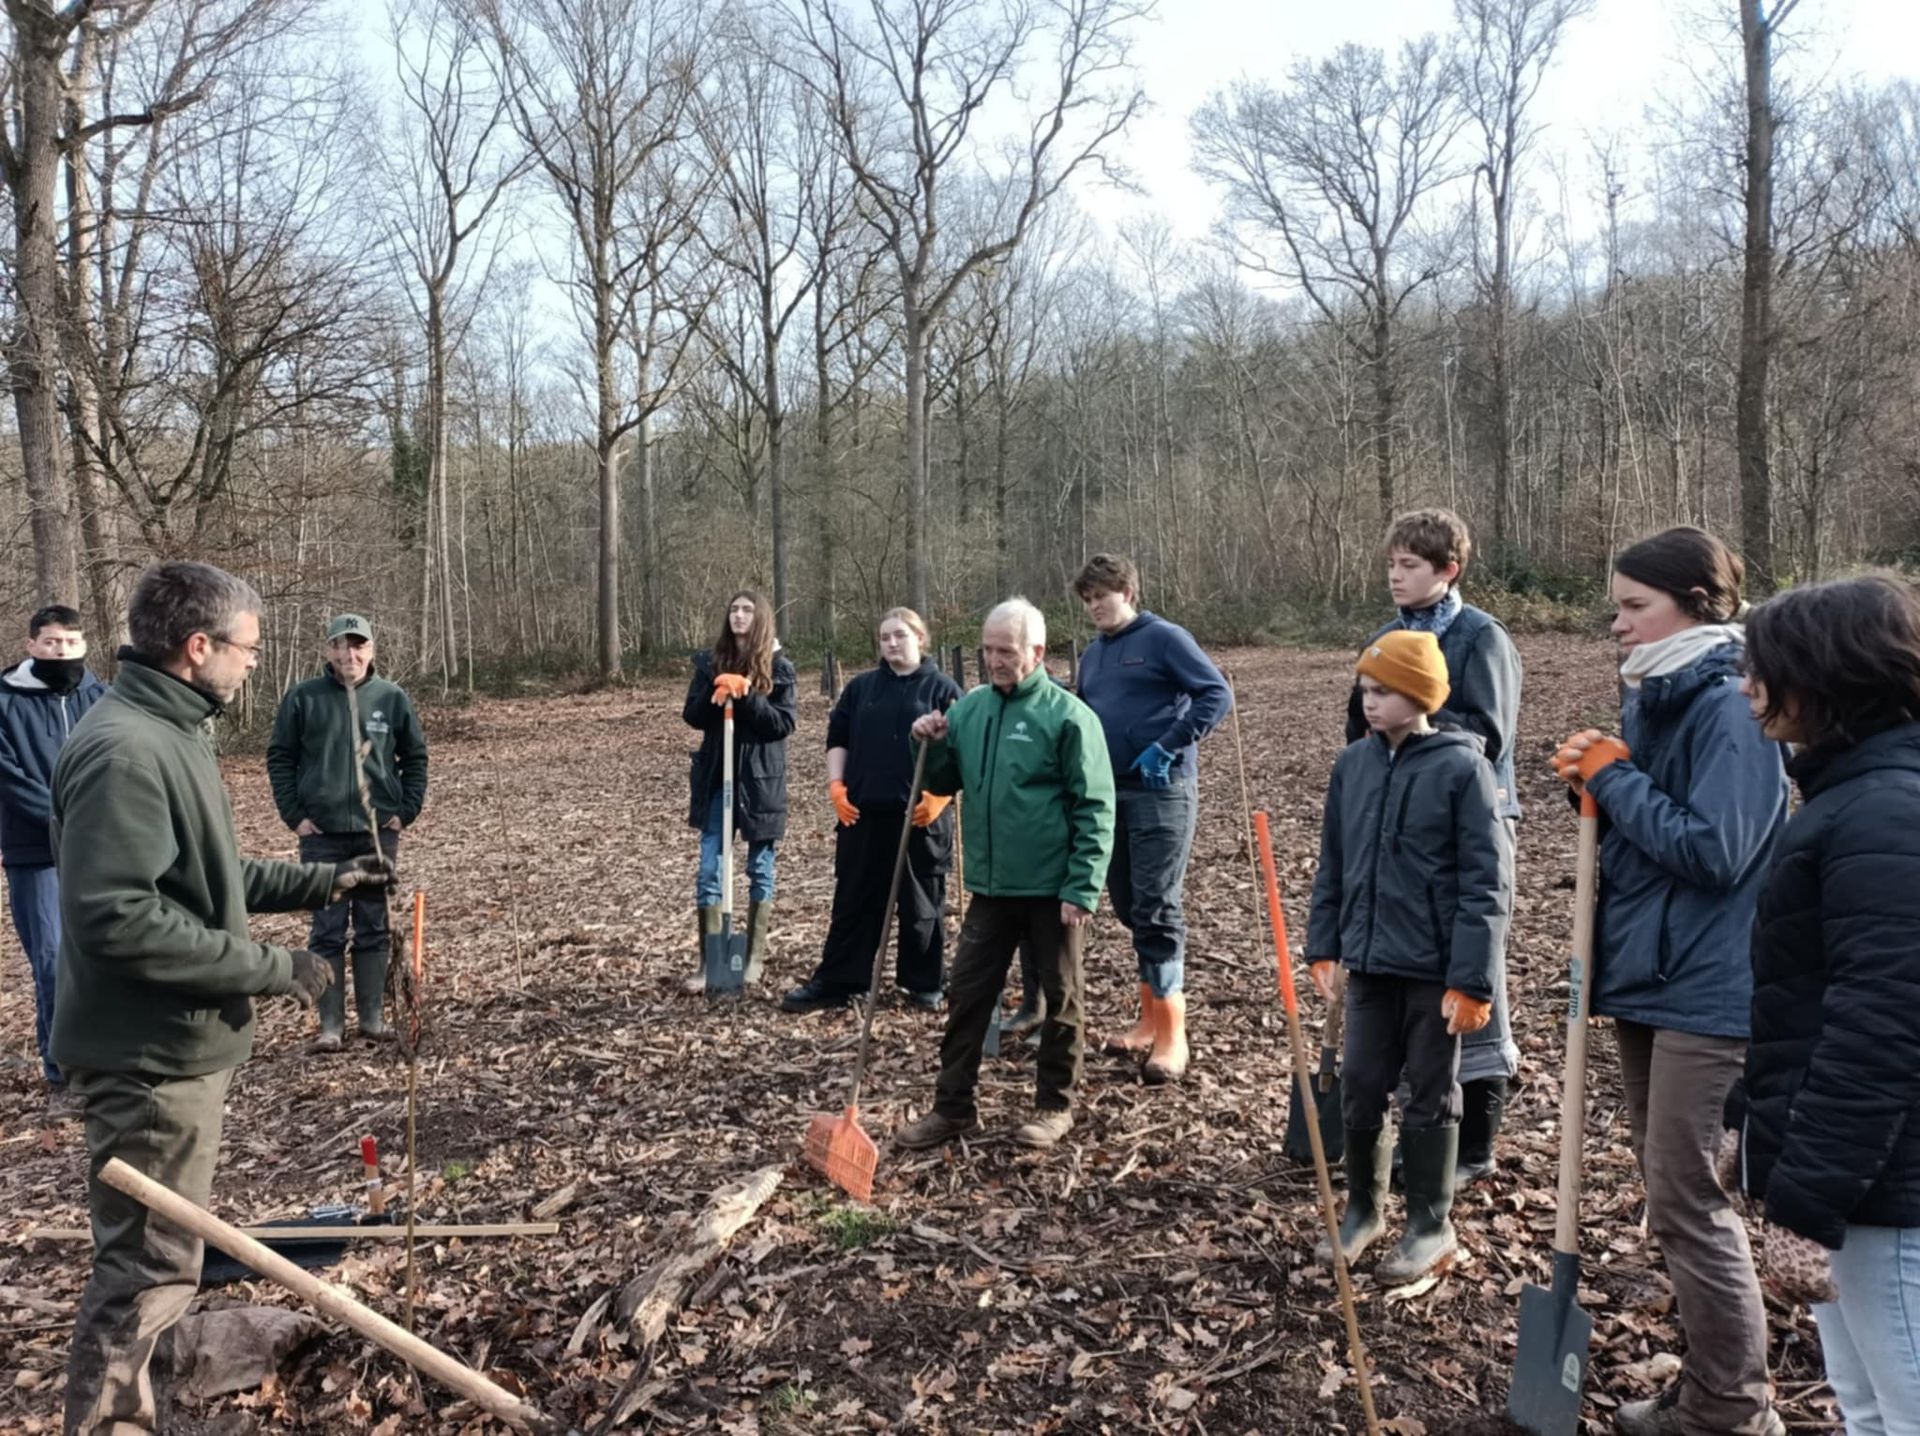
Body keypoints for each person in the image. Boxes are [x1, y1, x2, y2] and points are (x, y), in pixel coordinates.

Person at [51, 561, 394, 1433]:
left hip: (174, 1049)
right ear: (197, 647)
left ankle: (151, 1403)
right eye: (248, 648)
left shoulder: (171, 729)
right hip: (147, 1059)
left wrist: (321, 882)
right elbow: (119, 918)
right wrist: (271, 968)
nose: (254, 663)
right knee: (145, 1268)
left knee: (166, 1260)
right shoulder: (126, 749)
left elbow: (201, 872)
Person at [1553, 527, 1790, 1436]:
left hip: (1709, 987)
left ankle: (1735, 1407)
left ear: (1695, 606)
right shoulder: (1660, 696)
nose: (1616, 624)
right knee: (1672, 1197)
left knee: (1691, 1200)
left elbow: (1718, 851)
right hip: (1652, 975)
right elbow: (1653, 834)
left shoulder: (1728, 706)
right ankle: (1710, 1389)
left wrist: (1616, 782)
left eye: (1633, 607)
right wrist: (1593, 784)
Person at [1727, 574, 1920, 1433]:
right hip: (1860, 1183)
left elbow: (1880, 1029)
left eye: (1762, 668)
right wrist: (1749, 1120)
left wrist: (1809, 1200)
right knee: (1867, 1406)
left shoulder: (1885, 816)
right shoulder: (1851, 798)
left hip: (1888, 1192)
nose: (1748, 686)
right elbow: (1803, 1002)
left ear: (1823, 677)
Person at [1309, 630, 1511, 1282]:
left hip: (1433, 969)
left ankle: (1429, 1223)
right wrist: (1325, 944)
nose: (1369, 702)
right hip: (1369, 965)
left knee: (1430, 1091)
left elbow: (1486, 884)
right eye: (1364, 689)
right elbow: (1334, 863)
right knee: (1361, 1083)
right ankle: (1363, 1209)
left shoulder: (1463, 769)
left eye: (1384, 691)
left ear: (1422, 696)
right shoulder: (1354, 766)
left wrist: (1472, 981)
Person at [894, 598, 1115, 1151]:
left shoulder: (1069, 718)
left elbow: (1096, 807)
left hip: (1053, 888)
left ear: (1036, 652)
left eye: (1006, 651)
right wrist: (925, 740)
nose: (994, 661)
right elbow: (942, 778)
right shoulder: (970, 710)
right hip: (991, 888)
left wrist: (1083, 885)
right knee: (967, 994)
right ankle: (952, 1108)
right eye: (988, 650)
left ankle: (1055, 1105)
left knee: (1062, 998)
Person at [1346, 509, 1522, 1183]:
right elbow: (1358, 731)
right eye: (1391, 564)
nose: (1396, 576)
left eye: (1410, 565)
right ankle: (1413, 1129)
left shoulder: (1481, 637)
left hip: (1468, 821)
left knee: (1471, 972)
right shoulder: (1385, 638)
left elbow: (1488, 733)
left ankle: (1474, 1141)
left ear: (1449, 570)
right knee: (1403, 984)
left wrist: (1415, 721)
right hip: (1395, 829)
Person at [1072, 554, 1230, 1084]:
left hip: (1162, 789)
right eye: (1088, 599)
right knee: (1127, 903)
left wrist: (1169, 744)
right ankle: (1146, 1019)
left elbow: (1215, 693)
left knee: (1157, 905)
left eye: (1102, 595)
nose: (1095, 606)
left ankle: (1171, 1033)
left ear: (1127, 592)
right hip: (1108, 791)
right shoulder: (1093, 655)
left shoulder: (1165, 639)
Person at [784, 607, 961, 1013]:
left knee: (922, 905)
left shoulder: (943, 689)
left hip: (920, 819)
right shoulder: (861, 688)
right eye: (884, 637)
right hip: (863, 814)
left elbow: (963, 750)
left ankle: (924, 983)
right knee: (854, 901)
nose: (891, 643)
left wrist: (942, 796)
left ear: (920, 638)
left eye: (900, 635)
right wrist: (836, 786)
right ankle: (840, 980)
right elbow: (838, 737)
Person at [267, 613, 428, 1051]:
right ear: (328, 650)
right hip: (321, 835)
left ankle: (372, 1019)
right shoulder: (303, 698)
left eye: (358, 645)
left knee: (374, 924)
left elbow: (415, 758)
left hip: (377, 833)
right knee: (327, 929)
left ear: (371, 650)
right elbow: (280, 758)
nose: (349, 654)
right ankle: (331, 1026)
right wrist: (295, 815)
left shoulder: (392, 698)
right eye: (340, 645)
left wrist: (405, 810)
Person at [0, 604, 107, 1114]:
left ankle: (109, 1063)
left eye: (70, 642)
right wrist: (62, 817)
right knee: (52, 962)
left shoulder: (102, 697)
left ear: (83, 645)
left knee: (103, 955)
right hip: (35, 851)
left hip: (99, 848)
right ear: (31, 645)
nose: (61, 651)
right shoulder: (6, 701)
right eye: (50, 642)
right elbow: (8, 775)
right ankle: (64, 1074)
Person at [683, 588, 797, 991]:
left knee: (759, 868)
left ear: (760, 617)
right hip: (717, 779)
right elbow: (692, 715)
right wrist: (716, 689)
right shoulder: (709, 662)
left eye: (747, 610)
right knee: (710, 868)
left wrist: (747, 695)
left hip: (760, 784)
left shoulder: (779, 668)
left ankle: (751, 959)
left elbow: (781, 724)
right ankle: (710, 961)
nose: (739, 615)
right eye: (734, 609)